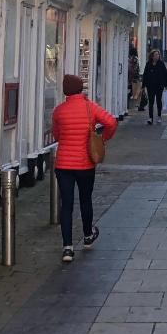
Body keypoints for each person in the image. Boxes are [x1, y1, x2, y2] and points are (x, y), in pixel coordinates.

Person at [52, 74, 117, 263]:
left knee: (67, 205)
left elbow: (57, 135)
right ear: (81, 88)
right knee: (85, 199)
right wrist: (103, 138)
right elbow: (111, 122)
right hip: (85, 163)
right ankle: (88, 236)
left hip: (63, 164)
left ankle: (67, 248)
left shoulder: (59, 111)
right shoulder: (90, 107)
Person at [141, 49, 167, 124]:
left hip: (159, 86)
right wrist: (143, 86)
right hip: (150, 86)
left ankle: (159, 116)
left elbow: (165, 74)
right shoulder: (148, 64)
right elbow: (145, 75)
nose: (157, 56)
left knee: (159, 101)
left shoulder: (161, 64)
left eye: (158, 55)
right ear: (152, 56)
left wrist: (166, 85)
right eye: (156, 55)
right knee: (151, 102)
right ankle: (150, 118)